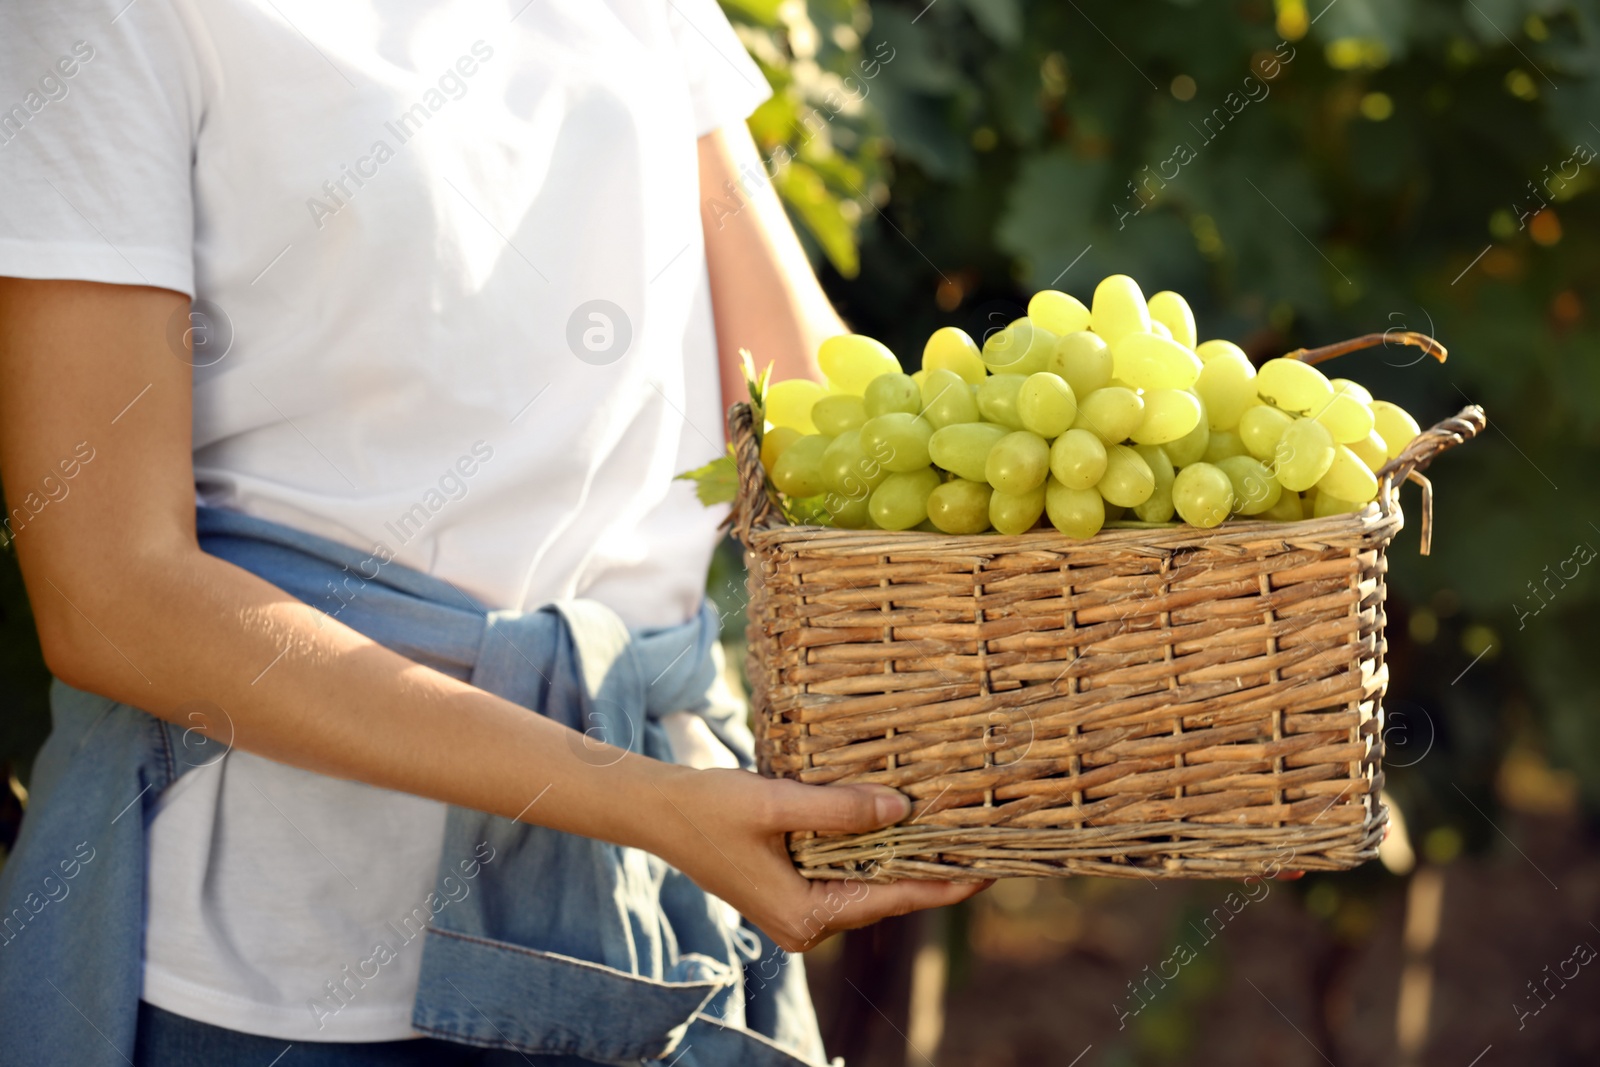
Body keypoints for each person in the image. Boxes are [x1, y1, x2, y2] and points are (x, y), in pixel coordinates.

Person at [0, 2, 985, 1064]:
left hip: (666, 897)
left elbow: (811, 400)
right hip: (286, 974)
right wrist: (642, 802)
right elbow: (112, 593)